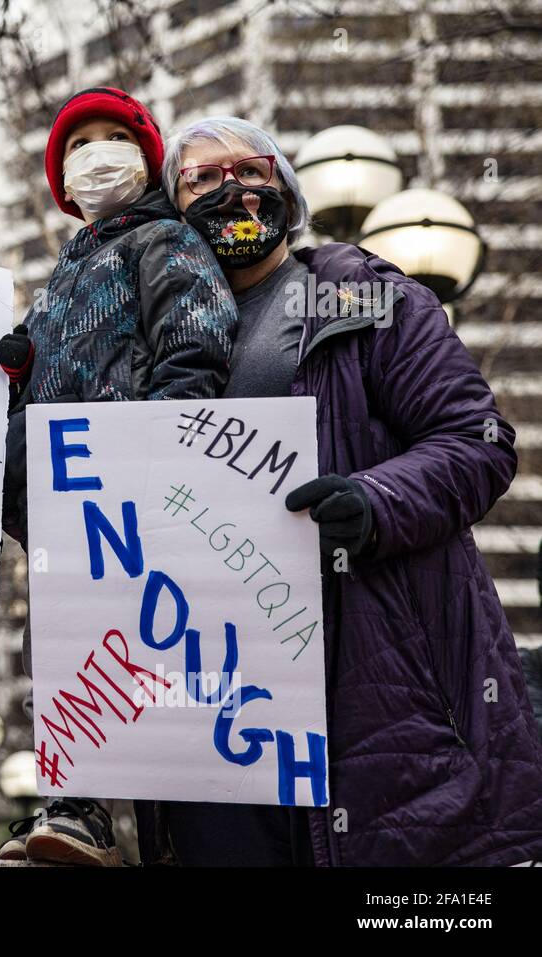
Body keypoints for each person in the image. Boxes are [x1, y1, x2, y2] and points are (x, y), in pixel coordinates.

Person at [153, 115, 542, 866]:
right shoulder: (146, 346)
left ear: (286, 191)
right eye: (202, 178)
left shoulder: (367, 301)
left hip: (377, 694)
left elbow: (479, 441)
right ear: (172, 213)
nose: (230, 188)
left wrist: (374, 503)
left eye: (251, 171)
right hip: (205, 711)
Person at [0, 88, 239, 866]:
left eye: (114, 136)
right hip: (61, 500)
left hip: (134, 487)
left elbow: (195, 345)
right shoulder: (60, 276)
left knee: (142, 646)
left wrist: (157, 449)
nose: (98, 152)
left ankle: (155, 818)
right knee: (69, 648)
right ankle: (77, 801)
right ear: (61, 179)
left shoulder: (165, 240)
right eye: (79, 143)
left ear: (149, 158)